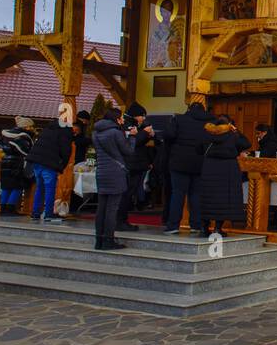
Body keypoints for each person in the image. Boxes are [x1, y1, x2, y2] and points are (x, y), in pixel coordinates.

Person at [196, 115, 249, 237]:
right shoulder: (232, 135)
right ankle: (217, 229)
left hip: (209, 168)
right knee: (223, 200)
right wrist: (236, 131)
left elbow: (198, 149)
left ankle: (204, 228)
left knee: (207, 199)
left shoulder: (207, 135)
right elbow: (246, 144)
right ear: (228, 125)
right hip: (228, 170)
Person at [164, 101, 211, 234]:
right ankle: (196, 225)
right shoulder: (209, 121)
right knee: (195, 195)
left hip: (179, 161)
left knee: (178, 193)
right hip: (200, 161)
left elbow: (169, 135)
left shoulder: (179, 119)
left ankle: (173, 225)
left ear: (189, 109)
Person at [90, 107, 132, 251]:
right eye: (121, 117)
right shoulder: (116, 132)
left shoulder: (95, 133)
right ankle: (109, 240)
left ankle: (99, 240)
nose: (123, 120)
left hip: (101, 171)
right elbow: (128, 151)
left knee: (101, 208)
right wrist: (131, 137)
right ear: (116, 118)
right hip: (115, 172)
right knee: (112, 209)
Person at [27, 115, 73, 223]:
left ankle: (35, 213)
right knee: (49, 188)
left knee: (40, 188)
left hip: (36, 161)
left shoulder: (47, 130)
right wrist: (62, 166)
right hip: (49, 163)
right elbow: (66, 151)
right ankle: (48, 214)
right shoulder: (65, 132)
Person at [118, 103, 155, 231]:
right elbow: (132, 143)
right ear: (135, 115)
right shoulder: (128, 125)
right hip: (131, 165)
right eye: (142, 116)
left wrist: (148, 135)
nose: (143, 119)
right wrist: (144, 133)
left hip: (136, 164)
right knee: (126, 194)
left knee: (129, 193)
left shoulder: (134, 124)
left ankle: (122, 220)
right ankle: (120, 221)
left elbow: (137, 142)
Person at [0, 116, 36, 217]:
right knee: (18, 186)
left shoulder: (6, 135)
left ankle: (3, 208)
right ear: (26, 127)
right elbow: (27, 152)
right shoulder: (23, 137)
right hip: (18, 162)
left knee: (6, 186)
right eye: (31, 126)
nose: (33, 128)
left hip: (6, 161)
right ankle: (10, 208)